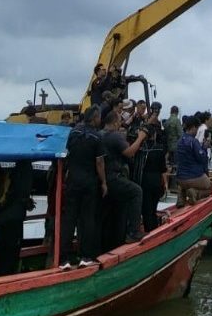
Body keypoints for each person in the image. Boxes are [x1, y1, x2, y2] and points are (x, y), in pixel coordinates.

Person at [59, 106, 107, 269]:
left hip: (72, 180)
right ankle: (85, 257)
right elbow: (99, 162)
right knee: (87, 219)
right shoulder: (97, 137)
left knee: (69, 219)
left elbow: (65, 155)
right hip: (89, 182)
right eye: (99, 117)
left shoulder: (72, 133)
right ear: (94, 118)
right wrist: (104, 182)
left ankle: (64, 259)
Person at [101, 110, 149, 245]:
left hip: (102, 178)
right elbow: (129, 153)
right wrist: (140, 137)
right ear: (115, 122)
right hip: (113, 177)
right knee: (136, 191)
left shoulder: (100, 134)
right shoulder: (115, 136)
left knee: (115, 209)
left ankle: (110, 240)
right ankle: (133, 232)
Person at [0, 161, 34, 276]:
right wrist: (25, 201)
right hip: (12, 220)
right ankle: (6, 277)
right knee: (10, 253)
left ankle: (2, 275)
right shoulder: (23, 172)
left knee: (3, 253)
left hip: (5, 220)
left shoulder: (12, 174)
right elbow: (19, 195)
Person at [132, 101, 168, 233]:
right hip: (156, 181)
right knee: (152, 209)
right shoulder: (159, 149)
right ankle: (153, 230)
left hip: (145, 181)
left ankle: (149, 230)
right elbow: (163, 169)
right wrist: (165, 184)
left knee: (147, 209)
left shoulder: (141, 150)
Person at [175, 116, 212, 207]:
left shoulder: (179, 141)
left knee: (185, 182)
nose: (197, 132)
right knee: (210, 187)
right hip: (193, 177)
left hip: (180, 178)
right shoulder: (193, 141)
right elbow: (203, 159)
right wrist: (204, 147)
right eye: (197, 128)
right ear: (193, 127)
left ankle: (181, 193)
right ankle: (195, 193)